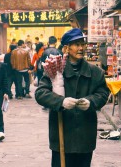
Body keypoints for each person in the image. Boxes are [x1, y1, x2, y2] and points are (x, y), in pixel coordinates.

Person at [35, 28, 109, 167]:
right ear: (66, 48)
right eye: (76, 44)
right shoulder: (55, 70)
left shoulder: (95, 72)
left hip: (84, 135)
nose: (81, 48)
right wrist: (61, 101)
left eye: (83, 44)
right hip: (62, 134)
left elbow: (103, 93)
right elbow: (40, 93)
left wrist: (91, 102)